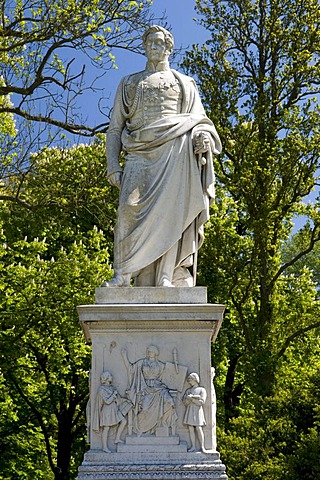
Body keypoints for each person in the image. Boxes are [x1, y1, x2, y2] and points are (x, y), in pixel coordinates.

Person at [102, 25, 222, 288]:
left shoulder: (185, 82)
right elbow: (115, 129)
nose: (154, 47)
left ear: (169, 47)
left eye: (159, 43)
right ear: (144, 47)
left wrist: (203, 136)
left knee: (172, 215)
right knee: (127, 210)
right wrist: (113, 166)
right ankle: (122, 275)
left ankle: (167, 276)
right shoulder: (129, 83)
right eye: (149, 43)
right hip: (138, 153)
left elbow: (199, 119)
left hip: (175, 154)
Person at [121, 345, 177, 434]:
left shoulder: (161, 365)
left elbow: (171, 375)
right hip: (145, 388)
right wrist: (124, 356)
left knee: (169, 401)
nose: (150, 353)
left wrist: (176, 364)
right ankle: (143, 429)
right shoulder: (142, 363)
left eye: (152, 351)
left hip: (159, 388)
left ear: (156, 353)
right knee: (145, 409)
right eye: (149, 351)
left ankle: (163, 425)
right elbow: (130, 369)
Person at [92, 371, 131, 453]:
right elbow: (107, 401)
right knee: (106, 428)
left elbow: (118, 399)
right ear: (106, 378)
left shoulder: (112, 388)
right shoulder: (101, 390)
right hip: (107, 411)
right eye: (110, 376)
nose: (111, 377)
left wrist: (127, 400)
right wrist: (114, 395)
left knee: (124, 421)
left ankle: (117, 438)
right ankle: (104, 447)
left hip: (114, 409)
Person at [182, 372, 208, 453]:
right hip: (190, 410)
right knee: (190, 428)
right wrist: (187, 399)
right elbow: (184, 402)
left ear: (195, 380)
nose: (189, 382)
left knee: (198, 428)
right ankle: (193, 446)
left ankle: (202, 447)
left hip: (197, 411)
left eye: (190, 380)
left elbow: (201, 402)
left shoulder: (201, 390)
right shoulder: (188, 390)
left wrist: (192, 399)